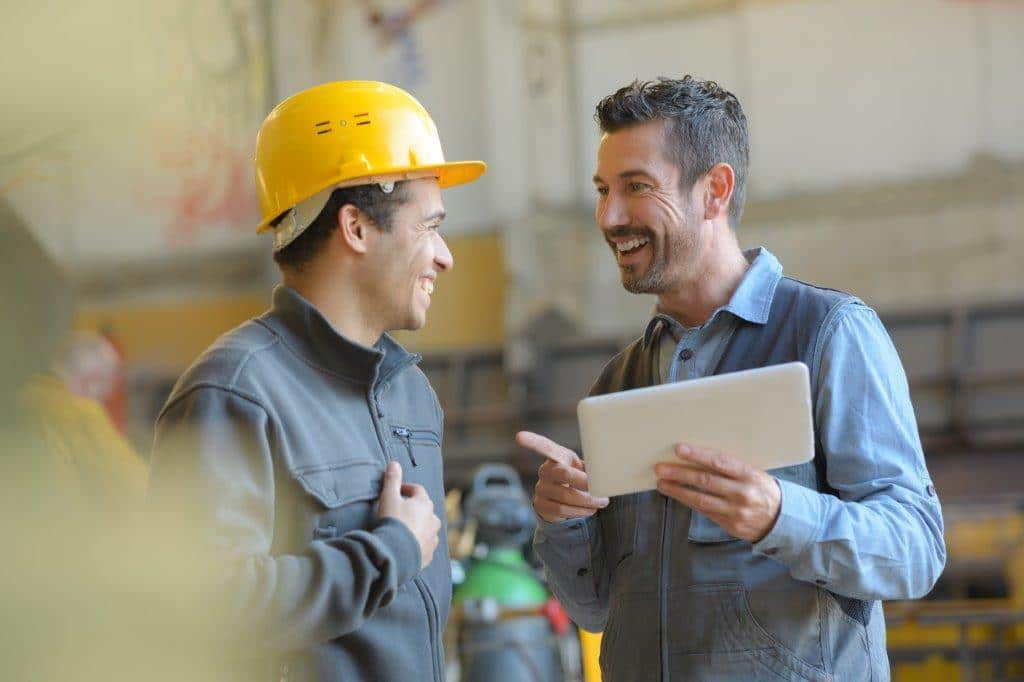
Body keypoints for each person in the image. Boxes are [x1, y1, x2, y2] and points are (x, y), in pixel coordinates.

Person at [519, 76, 945, 681]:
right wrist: (565, 523)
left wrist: (779, 515)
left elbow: (916, 551)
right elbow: (594, 609)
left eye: (636, 187)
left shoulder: (829, 335)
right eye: (602, 190)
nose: (609, 216)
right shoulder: (619, 383)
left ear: (714, 190)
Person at [148, 80, 485, 681]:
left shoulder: (409, 391)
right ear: (355, 228)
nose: (445, 256)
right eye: (429, 227)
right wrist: (388, 553)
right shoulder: (234, 394)